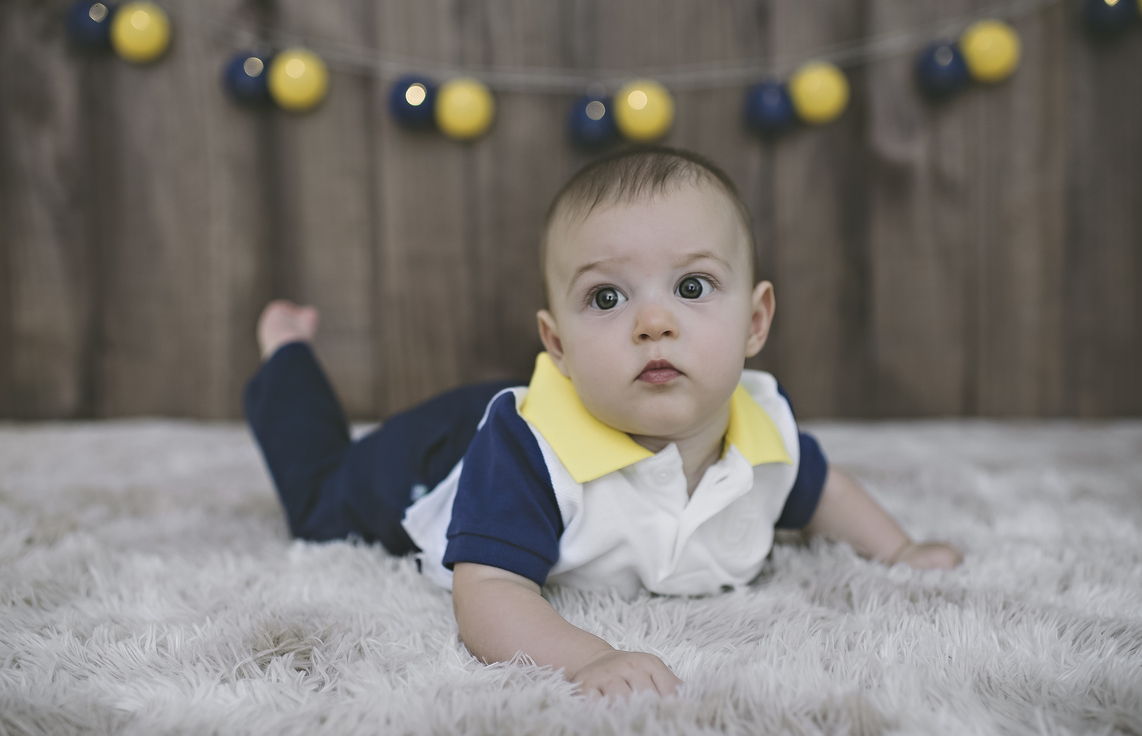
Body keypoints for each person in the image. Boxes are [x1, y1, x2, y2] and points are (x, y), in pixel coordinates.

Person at [244, 145, 962, 700]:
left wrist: (897, 552)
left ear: (755, 320)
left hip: (577, 399)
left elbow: (823, 489)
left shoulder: (759, 428)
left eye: (691, 287)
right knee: (318, 501)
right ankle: (288, 355)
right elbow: (488, 593)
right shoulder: (529, 452)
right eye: (608, 298)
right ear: (557, 345)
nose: (654, 322)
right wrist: (590, 657)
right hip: (440, 455)